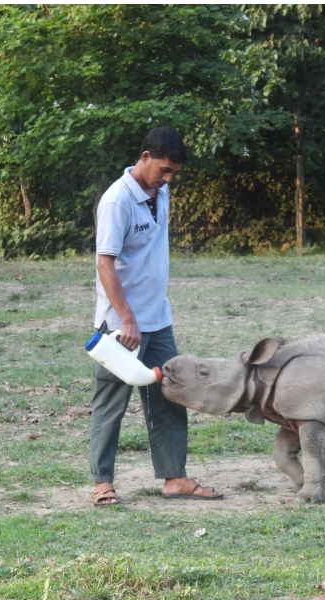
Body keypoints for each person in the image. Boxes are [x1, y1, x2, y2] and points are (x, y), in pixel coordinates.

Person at [89, 127, 223, 506]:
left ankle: (174, 477)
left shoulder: (159, 191)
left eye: (173, 174)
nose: (167, 179)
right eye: (164, 169)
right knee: (111, 405)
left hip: (158, 319)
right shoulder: (117, 201)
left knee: (170, 396)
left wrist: (148, 315)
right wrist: (127, 319)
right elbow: (105, 264)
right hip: (121, 326)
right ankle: (102, 484)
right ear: (144, 157)